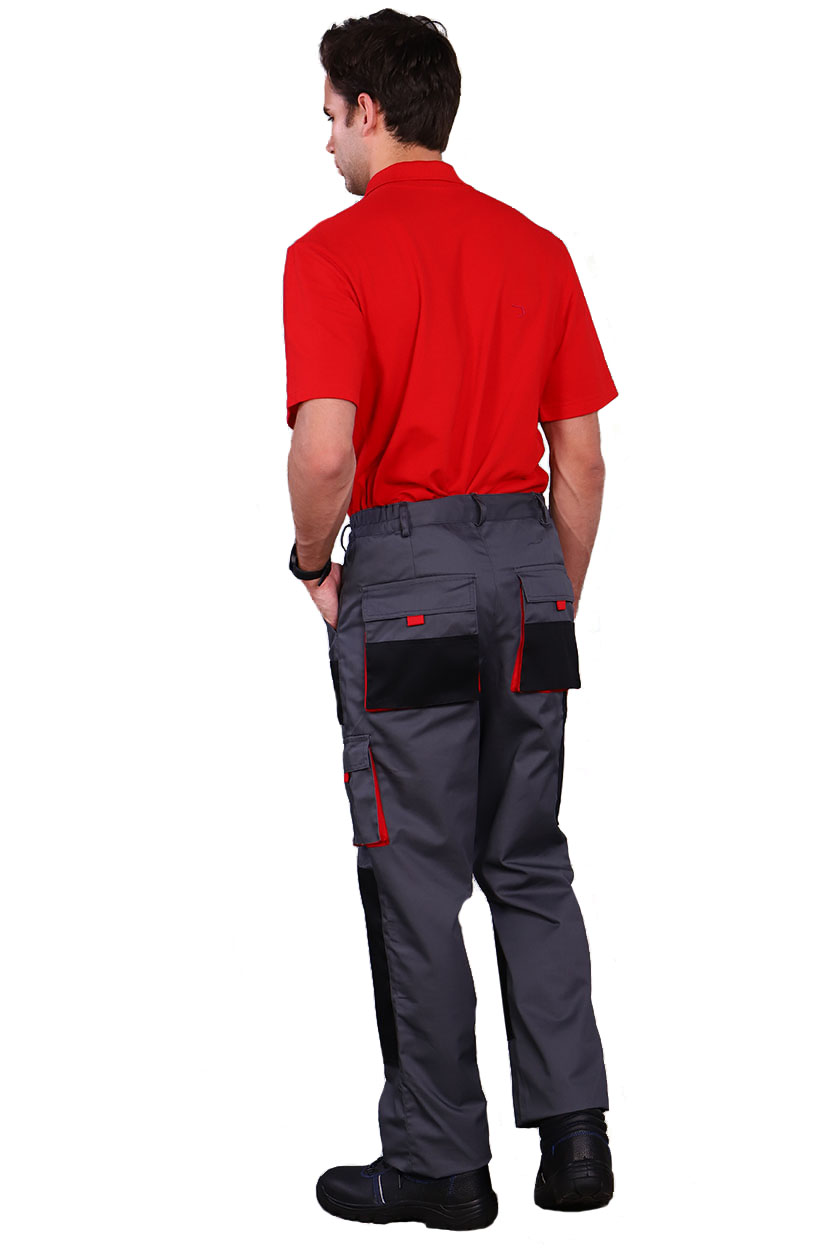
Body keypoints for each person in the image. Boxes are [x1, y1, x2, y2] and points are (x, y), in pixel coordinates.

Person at [284, 9, 618, 1231]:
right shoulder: (537, 249)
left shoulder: (330, 255)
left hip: (407, 573)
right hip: (528, 567)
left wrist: (311, 562)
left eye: (330, 115)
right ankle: (575, 1142)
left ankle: (443, 1166)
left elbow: (326, 451)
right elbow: (581, 459)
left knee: (414, 873)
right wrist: (546, 592)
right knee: (527, 856)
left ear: (372, 111)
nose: (324, 140)